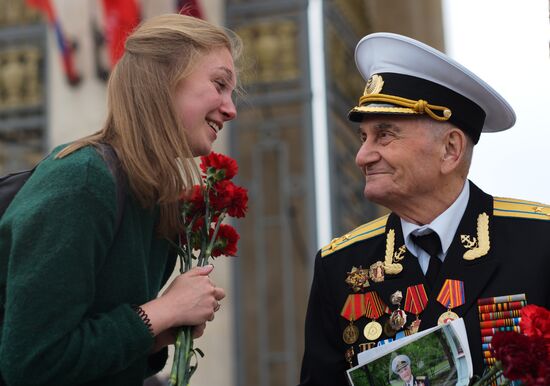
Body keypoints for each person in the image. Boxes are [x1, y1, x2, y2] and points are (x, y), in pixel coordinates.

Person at [0, 14, 241, 385]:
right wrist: (160, 312)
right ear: (164, 82)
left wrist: (155, 335)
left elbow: (86, 354)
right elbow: (31, 362)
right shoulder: (81, 181)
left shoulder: (158, 198)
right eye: (219, 84)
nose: (231, 109)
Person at [299, 32, 550, 385]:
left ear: (450, 149)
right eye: (363, 138)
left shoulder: (539, 241)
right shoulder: (340, 265)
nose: (363, 156)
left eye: (384, 135)